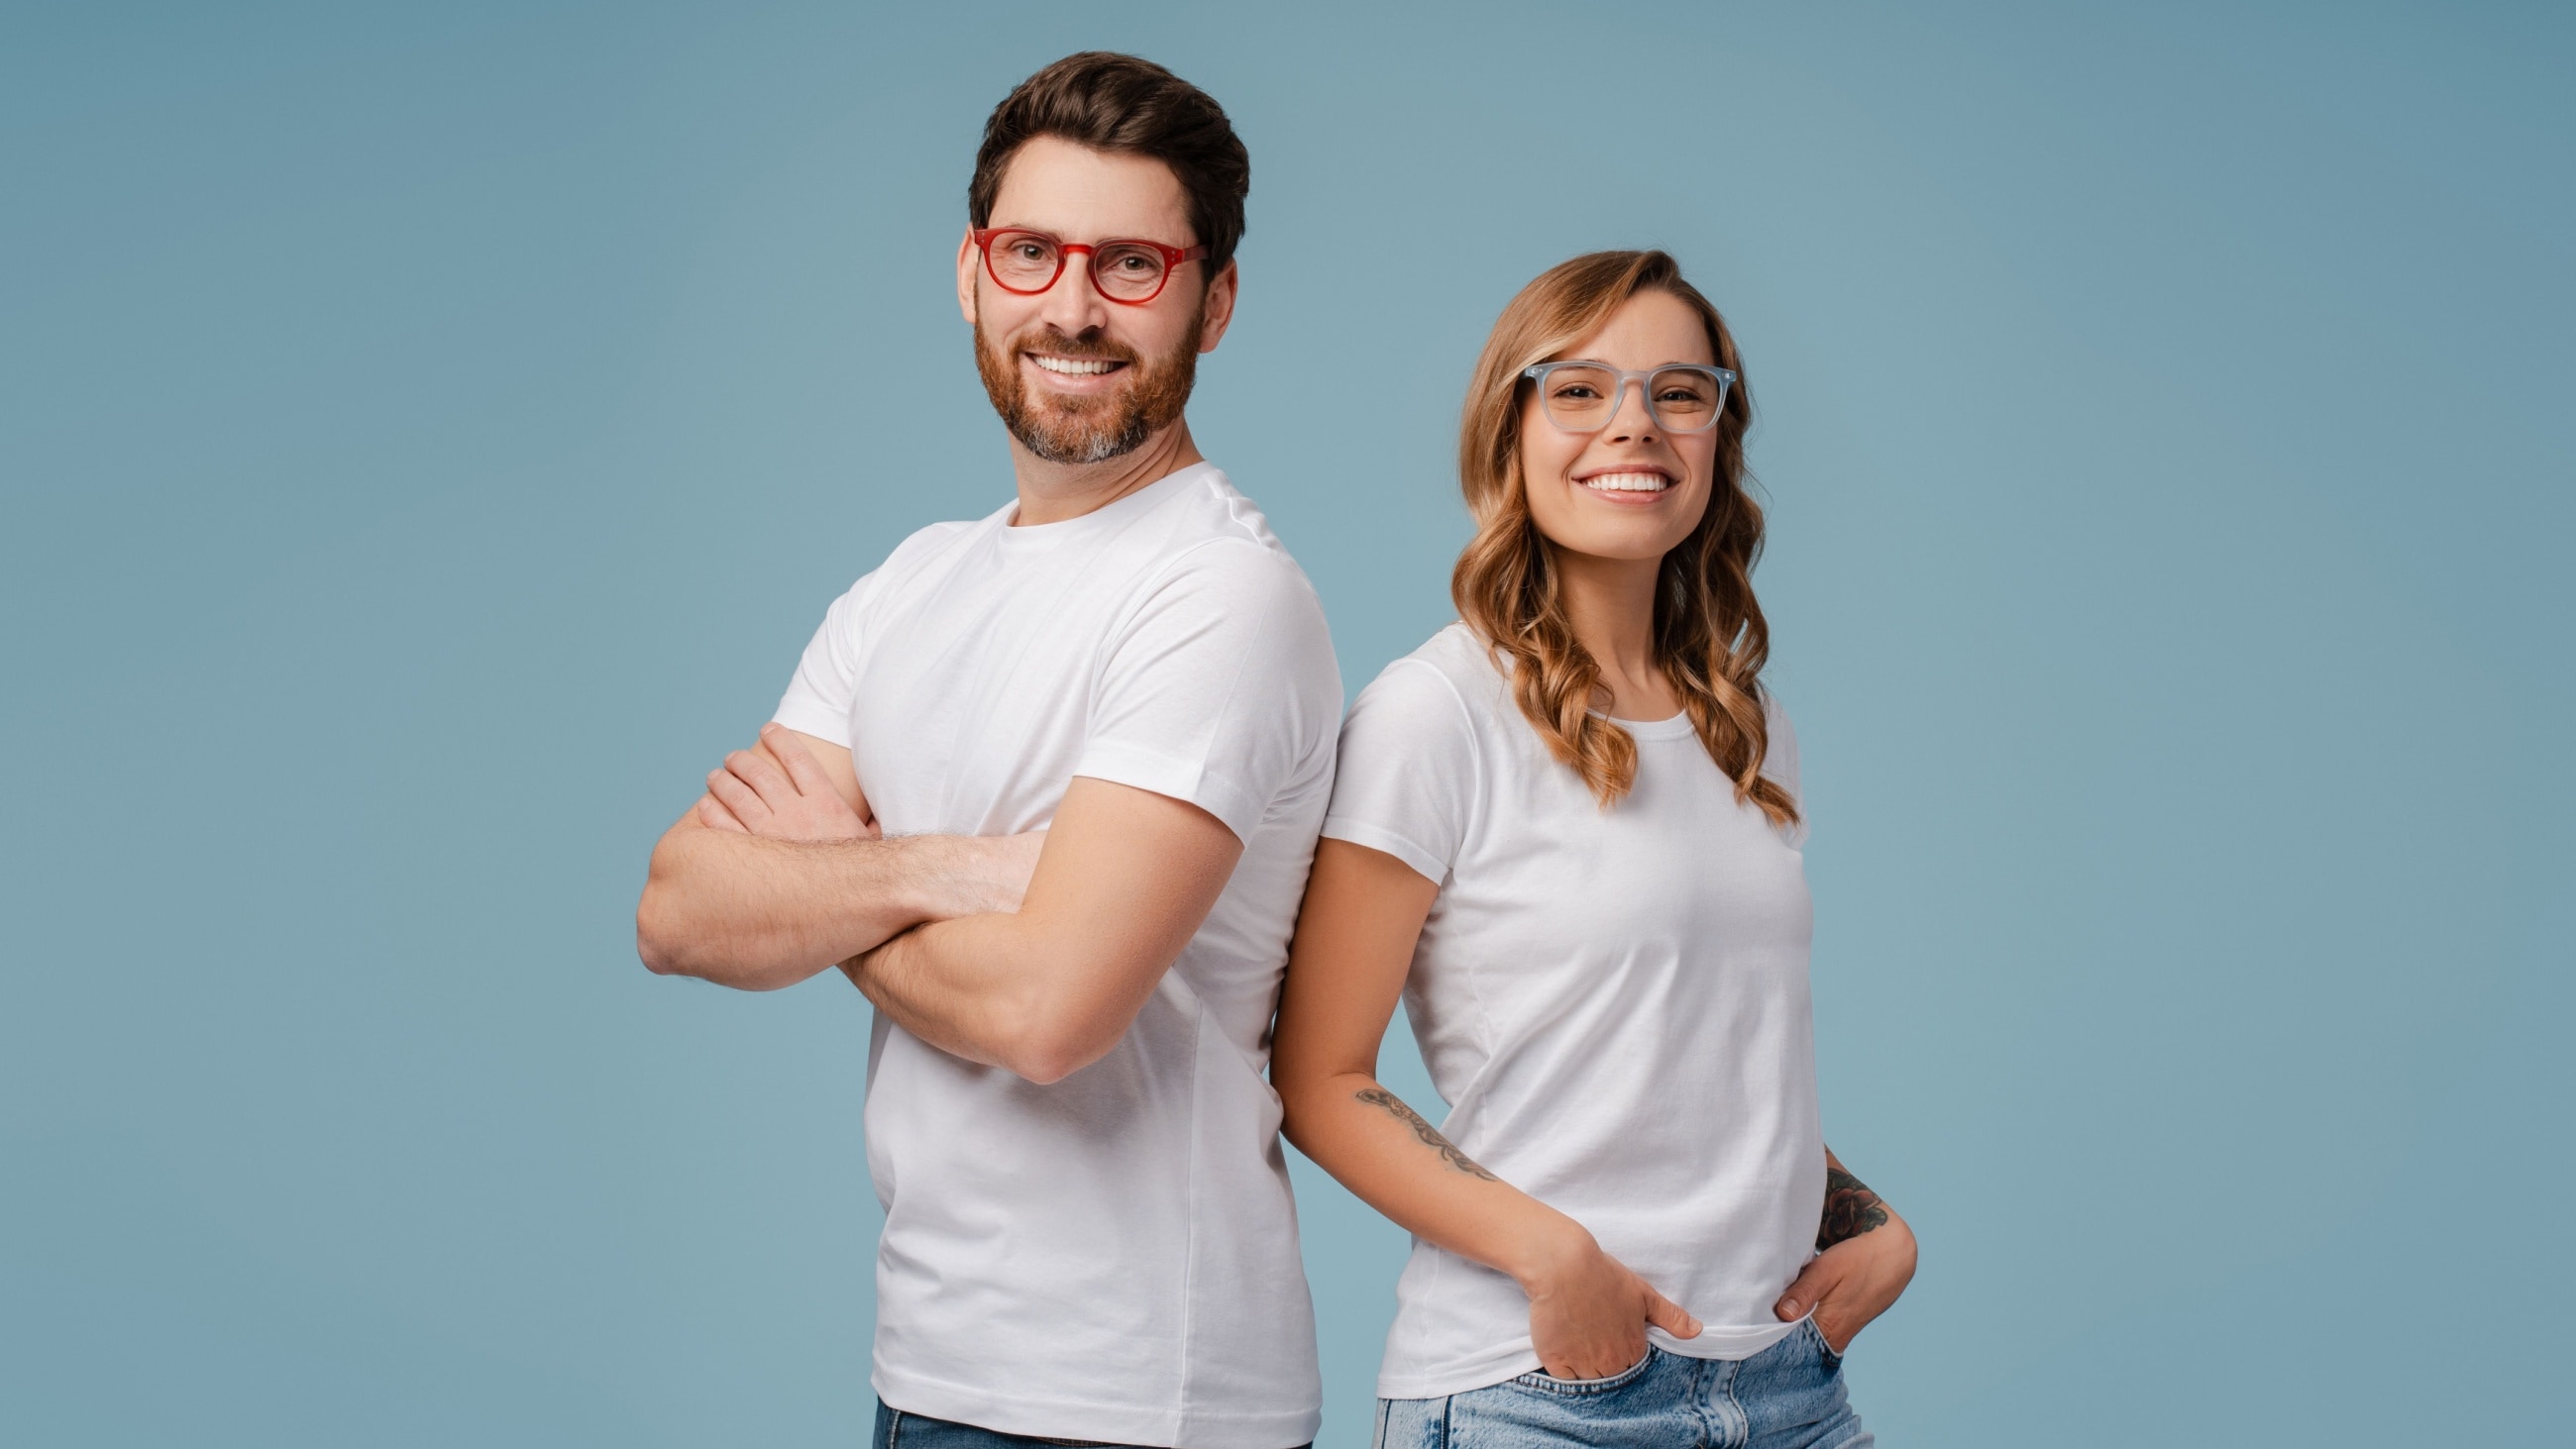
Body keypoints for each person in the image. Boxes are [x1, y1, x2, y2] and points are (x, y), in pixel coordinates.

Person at [635, 52, 1337, 1449]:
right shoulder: (910, 583)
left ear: (1218, 299)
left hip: (1141, 1394)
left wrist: (828, 878)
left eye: (1131, 263)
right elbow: (680, 906)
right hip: (934, 1361)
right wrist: (959, 869)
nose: (1072, 307)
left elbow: (1048, 1014)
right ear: (972, 273)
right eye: (1033, 252)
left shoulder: (1217, 592)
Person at [1270, 251, 1914, 1447]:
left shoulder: (1746, 723)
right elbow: (1318, 1077)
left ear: (1717, 433)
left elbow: (1687, 1051)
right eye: (1577, 388)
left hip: (1782, 1385)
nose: (1634, 423)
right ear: (1507, 430)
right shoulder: (1436, 711)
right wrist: (1551, 1252)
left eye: (1679, 390)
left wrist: (1861, 1214)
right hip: (1540, 1388)